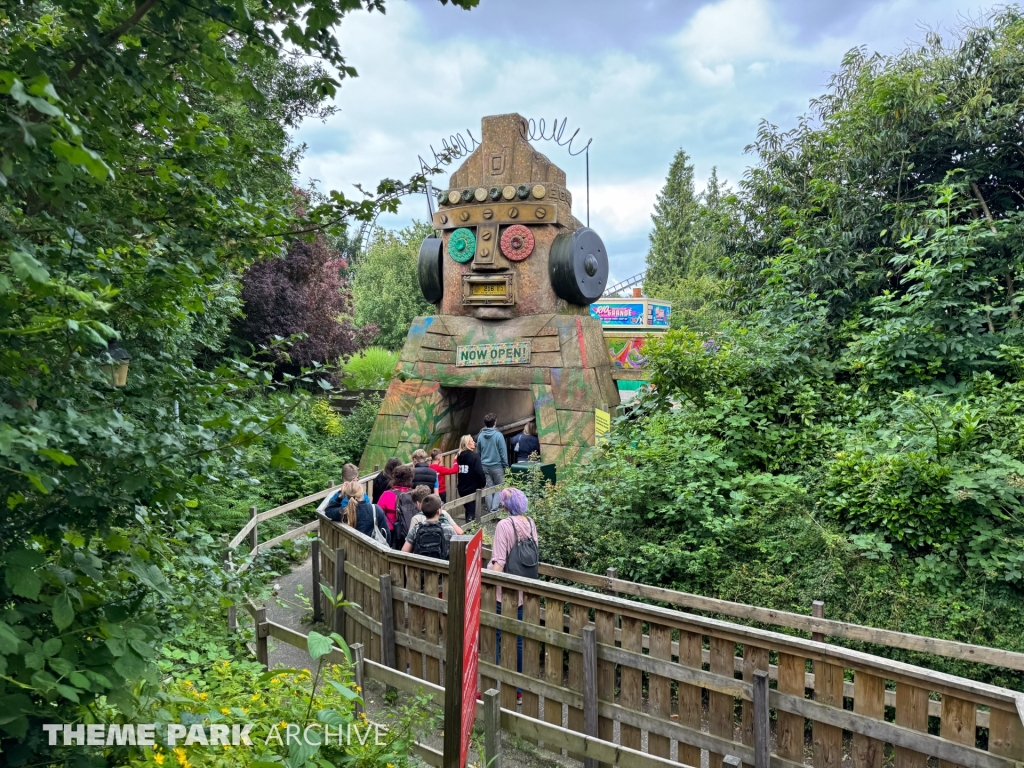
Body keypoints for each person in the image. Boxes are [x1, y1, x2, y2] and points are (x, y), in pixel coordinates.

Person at [489, 488, 539, 700]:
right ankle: (519, 690)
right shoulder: (530, 523)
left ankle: (497, 685)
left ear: (504, 506)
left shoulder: (503, 525)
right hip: (524, 590)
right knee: (518, 638)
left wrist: (483, 575)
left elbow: (499, 562)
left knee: (496, 636)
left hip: (504, 593)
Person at [476, 413, 508, 512]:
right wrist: (506, 466)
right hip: (497, 466)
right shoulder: (499, 435)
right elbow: (503, 452)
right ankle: (494, 509)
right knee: (500, 487)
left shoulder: (480, 436)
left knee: (488, 489)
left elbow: (479, 452)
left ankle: (489, 510)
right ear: (495, 422)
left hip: (484, 466)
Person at [455, 434, 486, 522]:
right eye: (472, 441)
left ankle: (468, 528)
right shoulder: (475, 456)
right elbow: (479, 472)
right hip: (472, 488)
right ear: (467, 444)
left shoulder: (459, 456)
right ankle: (470, 531)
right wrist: (483, 484)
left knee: (468, 509)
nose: (474, 443)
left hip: (462, 488)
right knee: (472, 512)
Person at [378, 465, 414, 533]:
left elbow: (378, 513)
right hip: (410, 531)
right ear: (410, 478)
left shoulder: (387, 494)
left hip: (391, 530)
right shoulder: (414, 494)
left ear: (394, 478)